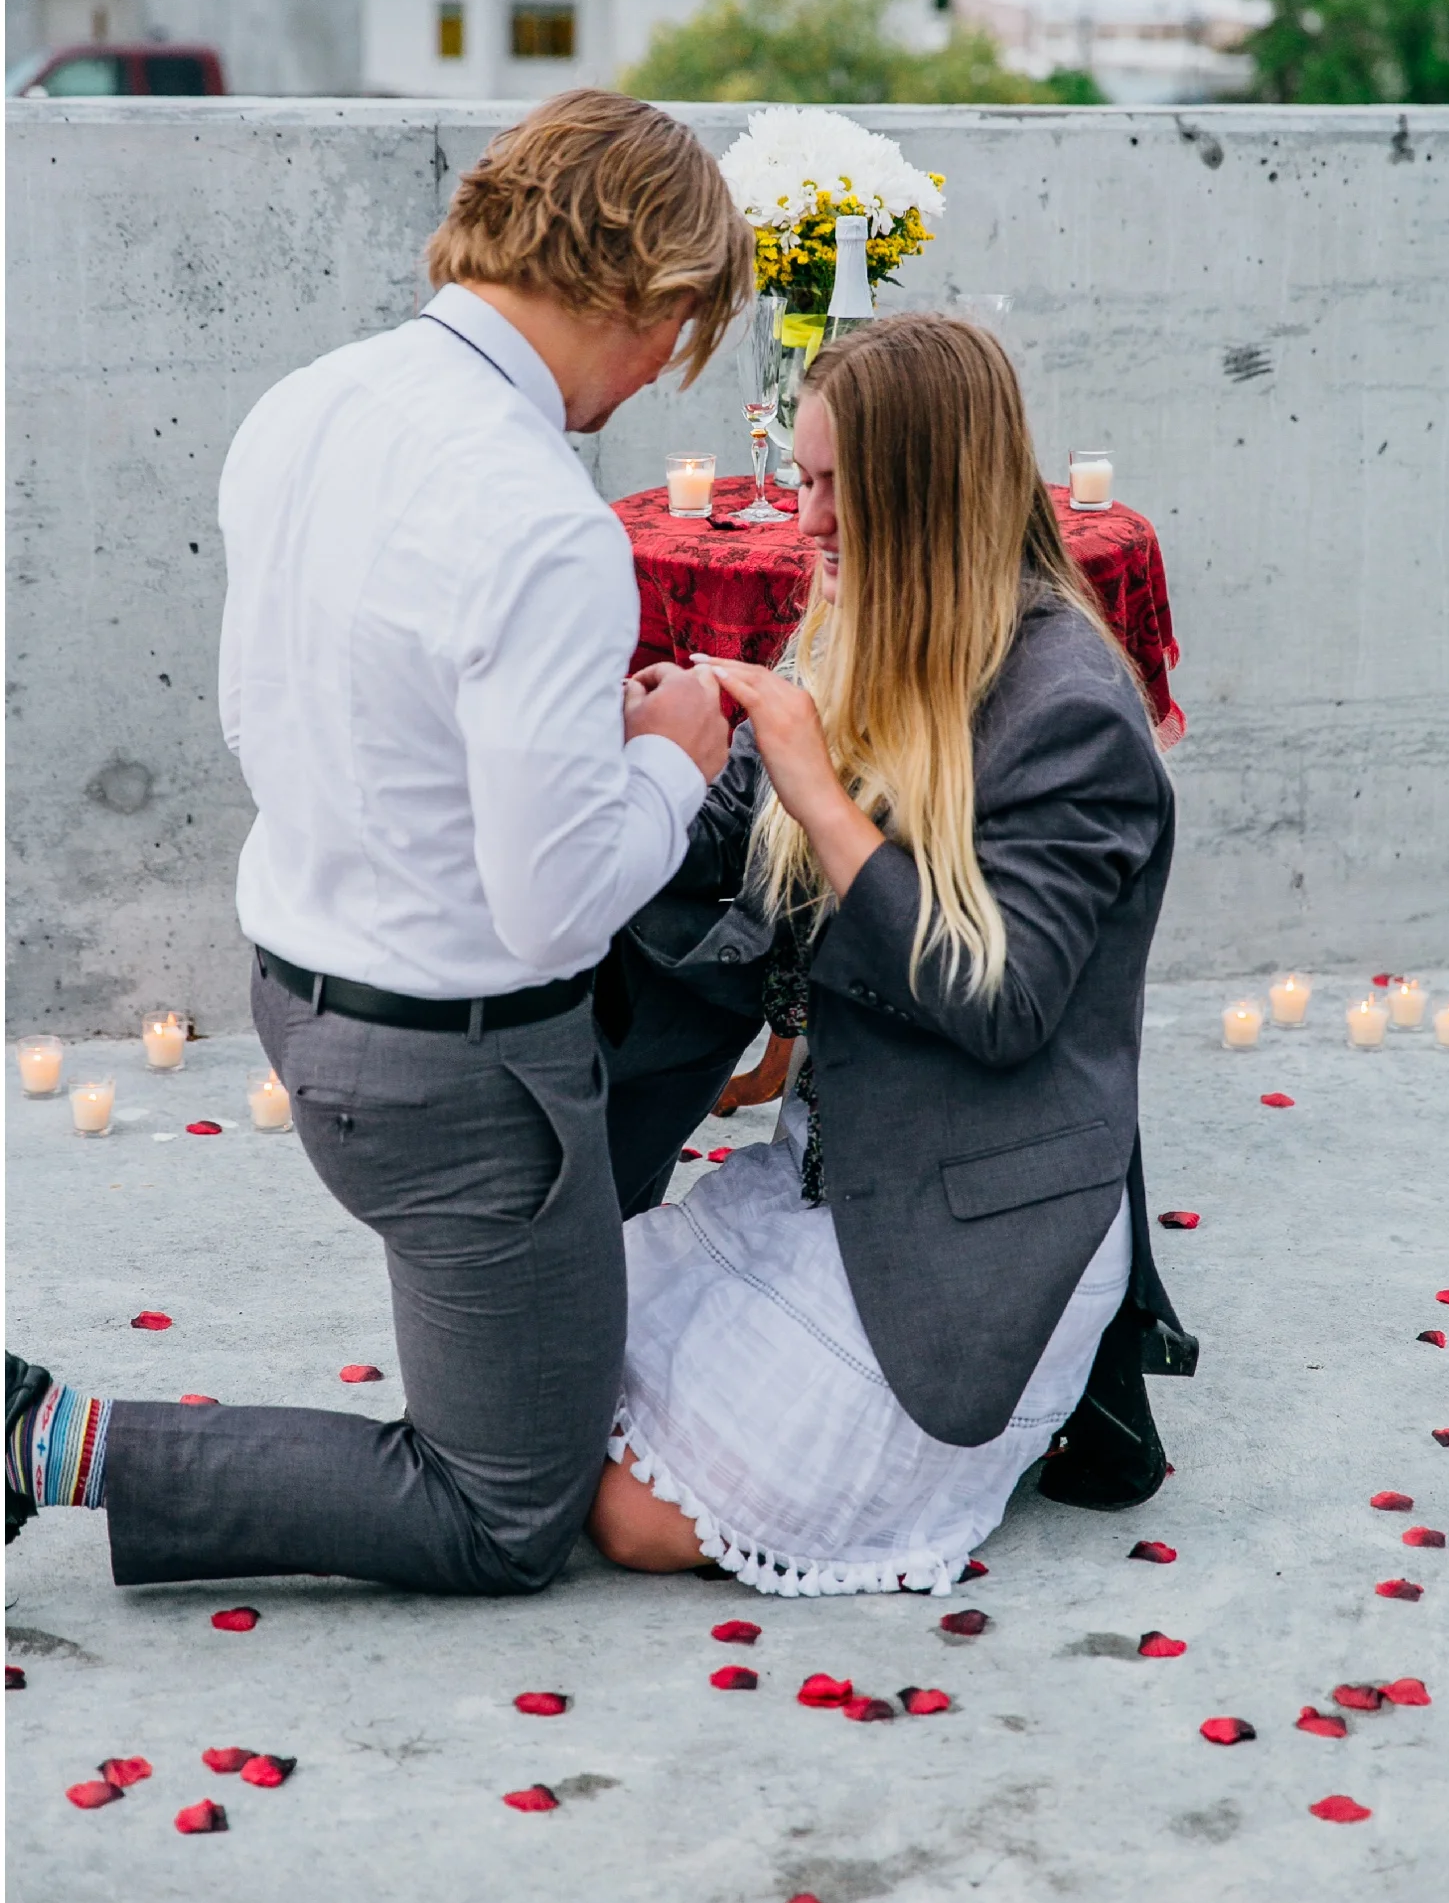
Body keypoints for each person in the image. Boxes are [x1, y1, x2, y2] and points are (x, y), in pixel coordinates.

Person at [7, 90, 753, 1597]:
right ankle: (47, 1441)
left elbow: (284, 705)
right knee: (504, 1511)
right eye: (684, 338)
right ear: (656, 298)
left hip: (306, 986)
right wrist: (670, 766)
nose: (664, 376)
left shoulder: (310, 401)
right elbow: (551, 916)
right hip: (456, 1072)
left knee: (680, 1020)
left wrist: (560, 747)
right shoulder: (545, 519)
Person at [589, 313, 1193, 1597]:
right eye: (799, 480)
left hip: (980, 1231)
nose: (802, 523)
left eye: (829, 489)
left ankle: (1032, 1403)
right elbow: (743, 837)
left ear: (927, 494)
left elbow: (1006, 1003)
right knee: (539, 1384)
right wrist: (651, 759)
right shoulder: (862, 619)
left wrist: (814, 787)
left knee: (632, 1519)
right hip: (832, 1176)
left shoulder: (1070, 707)